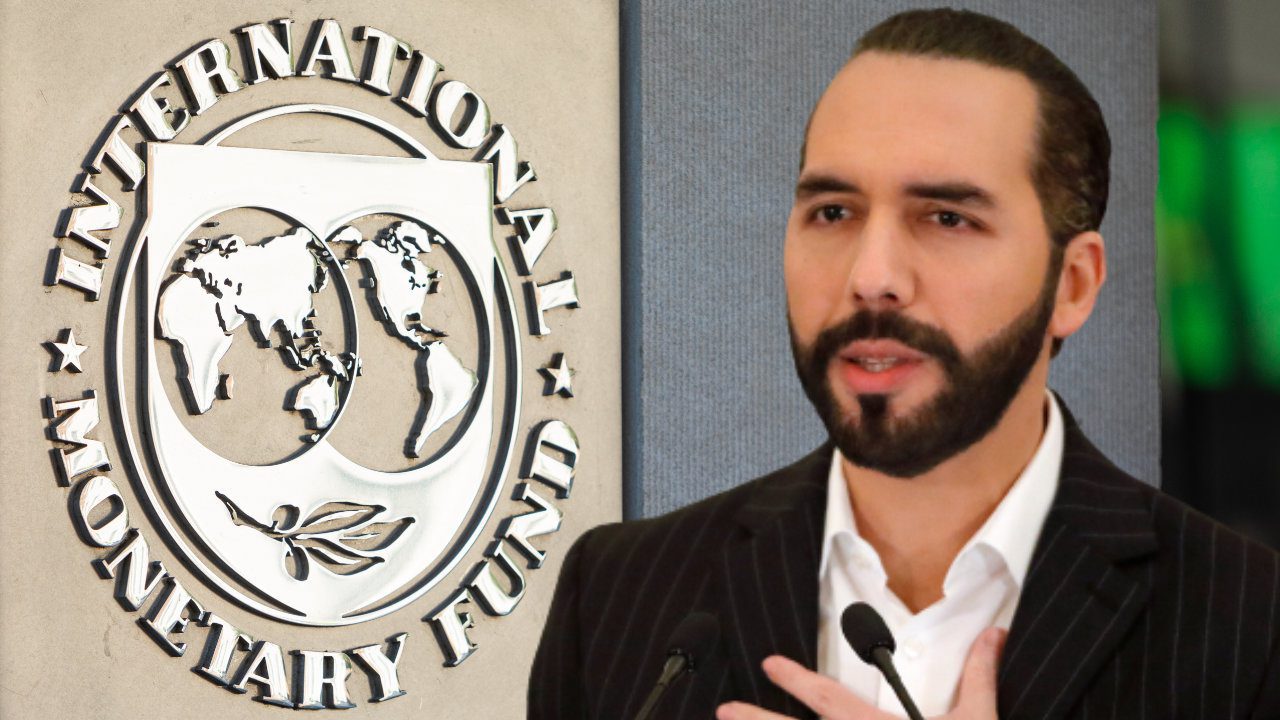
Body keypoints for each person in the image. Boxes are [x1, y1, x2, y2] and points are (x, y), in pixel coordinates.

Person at [528, 8, 1280, 720]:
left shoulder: (1249, 622)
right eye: (833, 212)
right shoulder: (621, 595)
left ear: (1073, 285)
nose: (872, 276)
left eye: (947, 218)